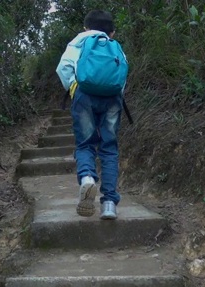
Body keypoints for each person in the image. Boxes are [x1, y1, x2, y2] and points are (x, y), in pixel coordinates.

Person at [55, 10, 126, 220]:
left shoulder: (79, 41)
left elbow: (63, 68)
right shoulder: (115, 47)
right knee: (109, 148)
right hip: (112, 98)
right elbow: (122, 75)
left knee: (85, 143)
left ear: (86, 27)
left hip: (84, 96)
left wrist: (74, 87)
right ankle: (110, 204)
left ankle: (87, 178)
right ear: (111, 32)